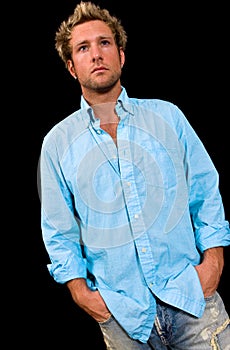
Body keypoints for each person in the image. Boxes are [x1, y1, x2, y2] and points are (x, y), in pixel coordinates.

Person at [39, 1, 230, 348]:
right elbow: (59, 231)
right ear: (71, 67)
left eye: (105, 43)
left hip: (192, 301)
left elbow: (205, 192)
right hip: (124, 317)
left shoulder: (168, 117)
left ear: (121, 56)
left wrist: (212, 264)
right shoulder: (57, 144)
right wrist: (84, 296)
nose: (96, 54)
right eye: (83, 48)